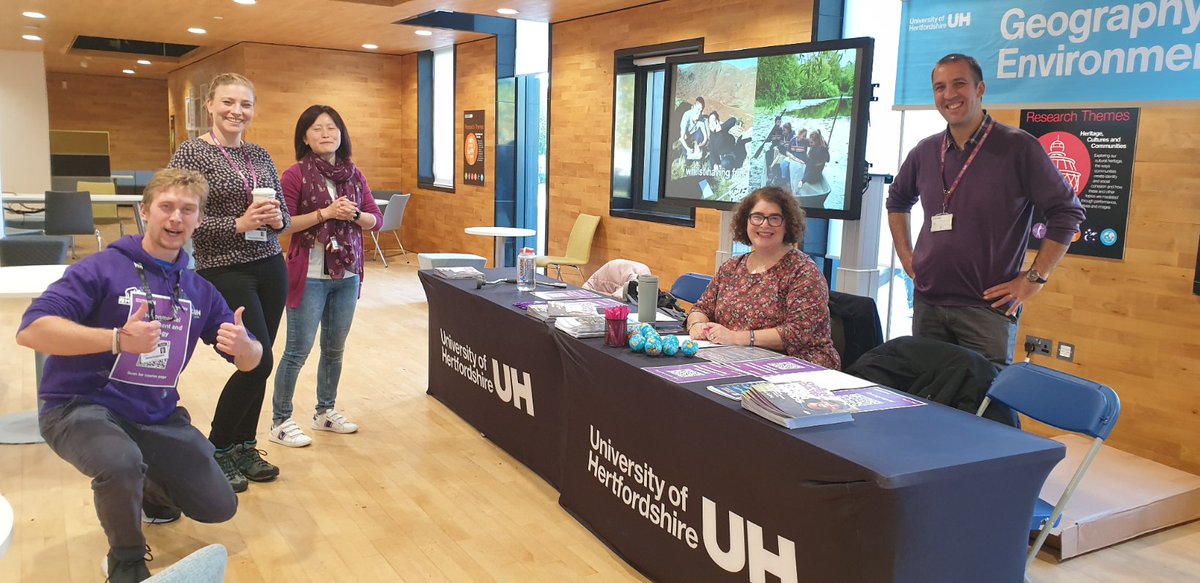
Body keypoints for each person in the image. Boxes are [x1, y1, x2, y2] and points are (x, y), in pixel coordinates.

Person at [17, 168, 262, 583]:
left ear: (199, 220)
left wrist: (244, 347)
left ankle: (147, 489)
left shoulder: (199, 288)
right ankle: (126, 558)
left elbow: (251, 361)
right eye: (166, 207)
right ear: (145, 211)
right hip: (79, 405)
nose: (176, 219)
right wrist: (116, 340)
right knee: (119, 461)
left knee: (219, 506)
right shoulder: (100, 269)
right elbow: (31, 330)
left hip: (156, 416)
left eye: (188, 210)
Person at [887, 53, 1085, 366]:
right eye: (940, 87)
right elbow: (897, 200)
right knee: (927, 400)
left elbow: (1068, 213)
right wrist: (907, 257)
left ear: (980, 89)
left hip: (987, 312)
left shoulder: (1018, 148)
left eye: (959, 84)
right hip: (928, 304)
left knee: (981, 407)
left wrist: (1035, 277)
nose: (949, 95)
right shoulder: (925, 151)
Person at [168, 72, 291, 492]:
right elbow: (181, 216)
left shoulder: (259, 154)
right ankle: (219, 446)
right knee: (255, 359)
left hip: (270, 264)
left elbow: (285, 215)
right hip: (224, 268)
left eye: (245, 104)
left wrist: (277, 220)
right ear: (210, 105)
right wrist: (238, 224)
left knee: (262, 358)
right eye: (228, 103)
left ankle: (244, 444)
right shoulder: (192, 153)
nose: (237, 111)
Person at [269, 105, 383, 447]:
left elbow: (375, 220)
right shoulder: (294, 174)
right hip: (311, 275)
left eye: (331, 128)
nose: (325, 134)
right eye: (317, 129)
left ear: (341, 134)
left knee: (334, 348)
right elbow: (283, 224)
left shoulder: (354, 174)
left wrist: (355, 213)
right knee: (297, 350)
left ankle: (324, 412)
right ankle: (280, 420)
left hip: (347, 275)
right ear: (305, 137)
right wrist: (326, 213)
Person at [687, 186, 841, 369]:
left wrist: (735, 338)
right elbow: (702, 308)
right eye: (757, 217)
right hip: (736, 360)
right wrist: (696, 325)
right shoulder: (731, 267)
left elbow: (797, 333)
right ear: (746, 221)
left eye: (774, 218)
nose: (764, 224)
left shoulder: (804, 272)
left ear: (788, 224)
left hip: (800, 368)